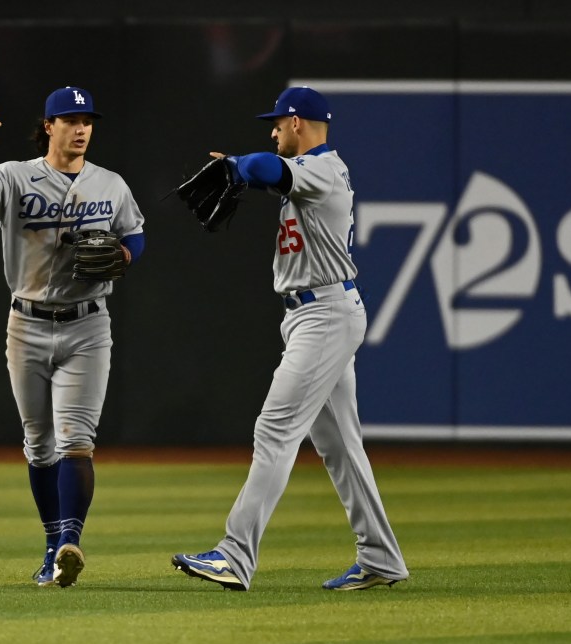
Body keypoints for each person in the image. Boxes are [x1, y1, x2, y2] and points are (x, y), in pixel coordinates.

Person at [172, 86, 409, 591]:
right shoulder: (315, 173)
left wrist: (237, 164)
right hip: (317, 314)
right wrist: (241, 168)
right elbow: (270, 174)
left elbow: (263, 168)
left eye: (277, 123)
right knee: (342, 447)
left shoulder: (321, 170)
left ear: (297, 122)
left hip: (324, 314)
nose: (273, 130)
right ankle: (382, 558)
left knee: (274, 431)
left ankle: (234, 556)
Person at [0, 88, 146, 587]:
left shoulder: (111, 183)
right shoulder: (16, 176)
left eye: (87, 120)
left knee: (77, 441)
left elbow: (135, 234)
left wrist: (123, 257)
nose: (80, 128)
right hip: (27, 323)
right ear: (49, 127)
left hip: (88, 324)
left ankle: (67, 543)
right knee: (39, 446)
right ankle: (51, 541)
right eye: (69, 120)